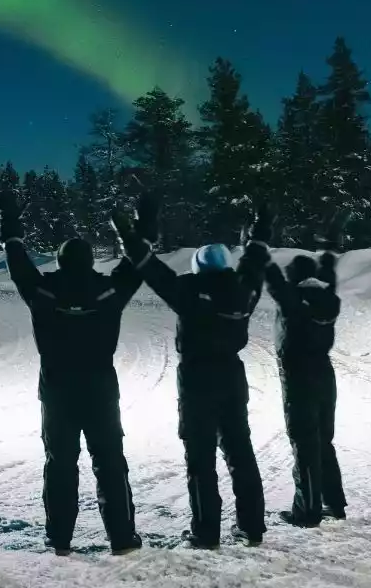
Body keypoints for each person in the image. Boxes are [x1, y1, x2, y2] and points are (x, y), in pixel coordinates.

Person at [114, 193, 272, 549]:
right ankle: (252, 527)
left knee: (200, 457)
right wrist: (262, 226)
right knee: (240, 452)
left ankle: (205, 531)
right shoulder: (244, 290)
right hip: (232, 376)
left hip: (197, 380)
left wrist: (129, 235)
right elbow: (256, 258)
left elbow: (152, 270)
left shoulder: (188, 291)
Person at [0, 187, 144, 556]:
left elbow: (17, 262)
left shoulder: (44, 291)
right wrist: (137, 229)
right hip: (100, 389)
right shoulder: (108, 291)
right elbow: (137, 264)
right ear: (91, 260)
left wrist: (9, 222)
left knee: (60, 463)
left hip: (57, 389)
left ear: (59, 261)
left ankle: (59, 538)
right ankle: (122, 538)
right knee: (110, 460)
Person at [264, 210, 350, 527]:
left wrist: (259, 240)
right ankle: (335, 504)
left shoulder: (292, 300)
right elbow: (328, 265)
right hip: (325, 376)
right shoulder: (326, 294)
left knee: (304, 443)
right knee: (323, 441)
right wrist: (331, 238)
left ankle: (308, 511)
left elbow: (269, 274)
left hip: (298, 379)